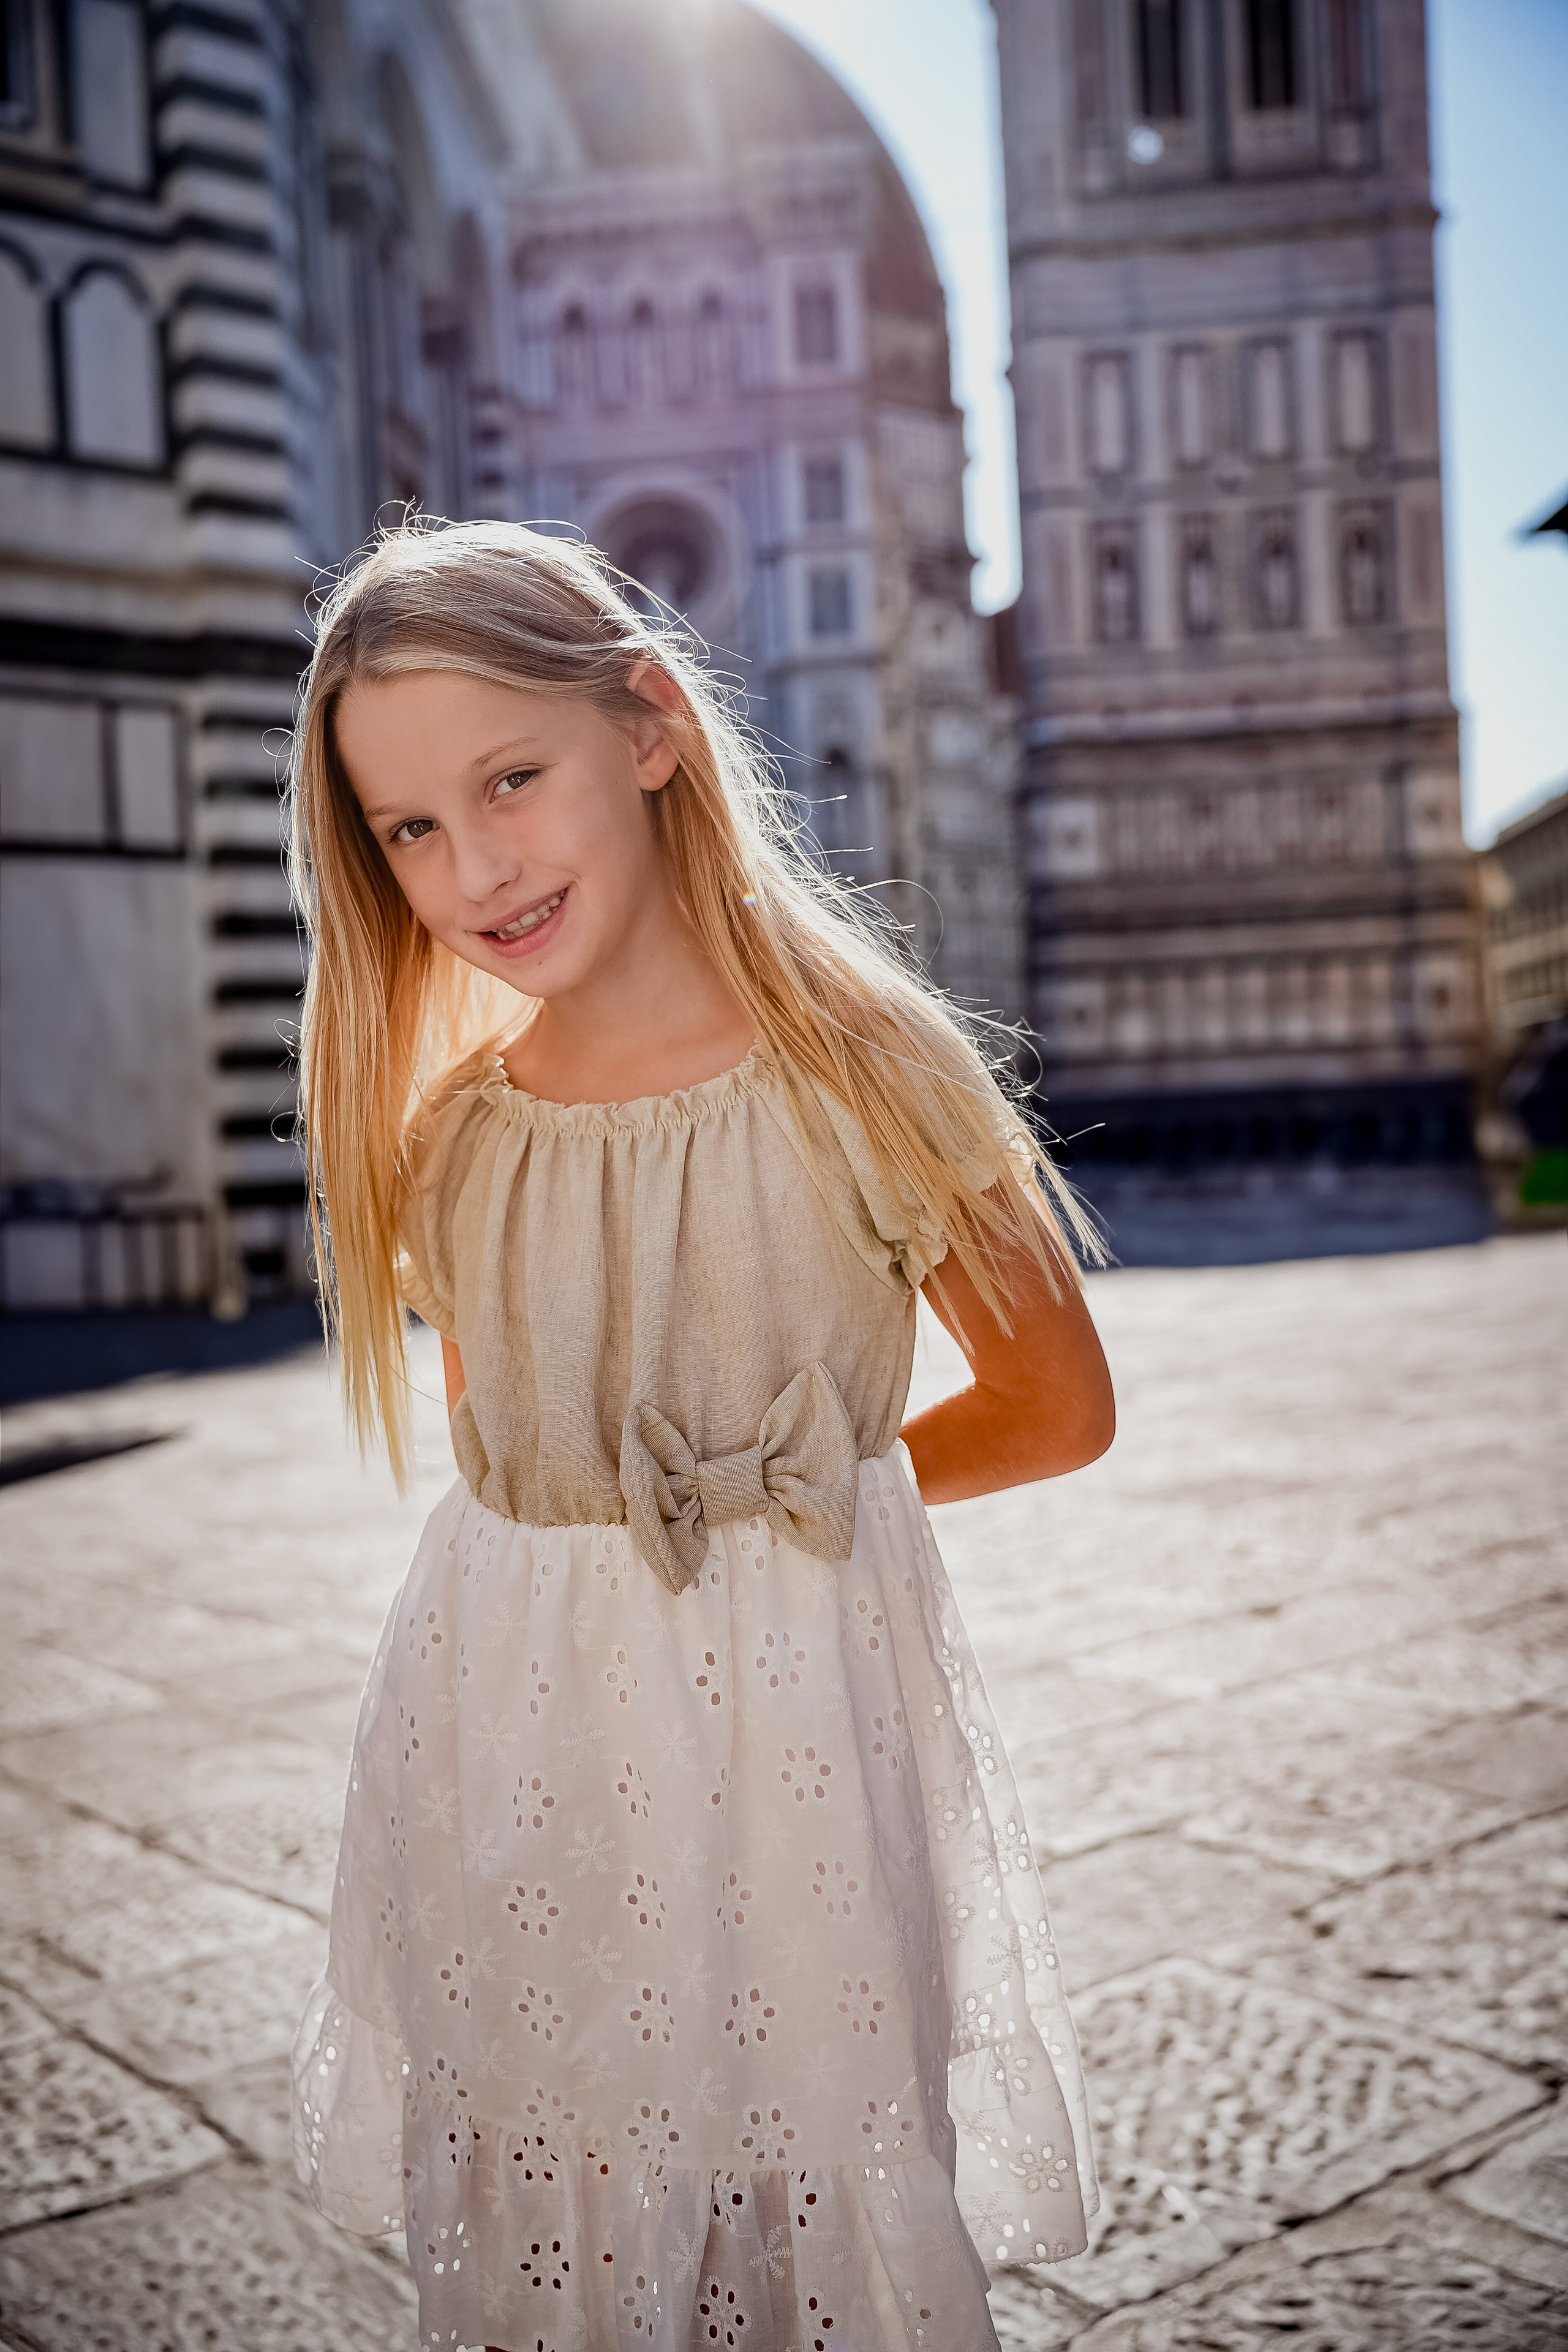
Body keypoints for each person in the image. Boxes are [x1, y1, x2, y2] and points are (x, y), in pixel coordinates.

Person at [287, 519, 1114, 2352]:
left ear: (652, 726)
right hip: (515, 1720)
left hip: (805, 1709)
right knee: (555, 2163)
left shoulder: (868, 1067)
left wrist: (797, 1498)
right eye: (411, 829)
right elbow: (512, 1472)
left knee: (807, 2163)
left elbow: (1061, 1406)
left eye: (514, 778)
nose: (474, 862)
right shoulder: (452, 1140)